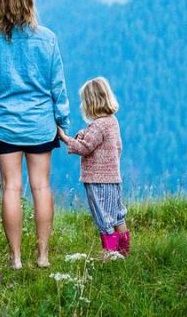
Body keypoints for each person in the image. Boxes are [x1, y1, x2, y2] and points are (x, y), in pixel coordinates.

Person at [0, 0, 70, 269]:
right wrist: (62, 121)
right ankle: (42, 256)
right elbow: (58, 87)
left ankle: (15, 259)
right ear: (30, 2)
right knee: (41, 186)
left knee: (11, 188)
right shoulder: (47, 39)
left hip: (3, 124)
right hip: (41, 124)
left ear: (0, 2)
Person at [58, 77, 129, 258]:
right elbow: (116, 146)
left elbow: (85, 148)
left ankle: (110, 254)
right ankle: (124, 252)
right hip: (114, 178)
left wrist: (65, 138)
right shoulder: (112, 121)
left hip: (98, 180)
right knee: (118, 215)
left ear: (90, 103)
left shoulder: (98, 125)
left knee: (104, 217)